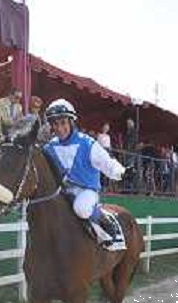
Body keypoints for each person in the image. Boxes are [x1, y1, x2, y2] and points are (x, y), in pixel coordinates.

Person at [43, 99, 130, 251]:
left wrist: (122, 172)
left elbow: (107, 163)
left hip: (86, 191)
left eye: (63, 123)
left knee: (81, 208)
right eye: (55, 124)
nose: (59, 128)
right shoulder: (50, 147)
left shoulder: (88, 143)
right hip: (61, 191)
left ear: (71, 122)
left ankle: (106, 230)